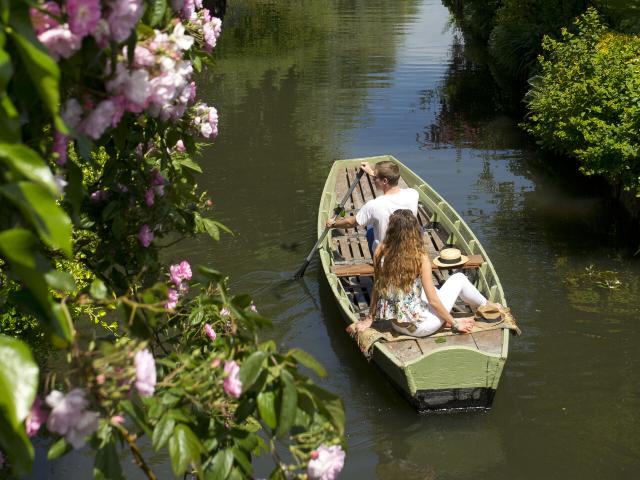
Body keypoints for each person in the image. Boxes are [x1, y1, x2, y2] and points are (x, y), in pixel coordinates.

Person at [350, 210, 495, 337]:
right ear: (414, 230)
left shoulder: (380, 251)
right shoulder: (420, 256)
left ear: (391, 229)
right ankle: (486, 306)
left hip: (397, 325)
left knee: (428, 291)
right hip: (423, 327)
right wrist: (456, 323)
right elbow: (433, 301)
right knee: (459, 278)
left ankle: (445, 318)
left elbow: (377, 285)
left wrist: (370, 317)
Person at [325, 160, 419, 255]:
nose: (373, 180)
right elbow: (386, 181)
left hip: (384, 261)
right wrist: (372, 173)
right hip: (409, 253)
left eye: (375, 178)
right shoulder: (413, 194)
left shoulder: (374, 206)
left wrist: (333, 224)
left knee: (370, 229)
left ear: (385, 181)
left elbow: (350, 223)